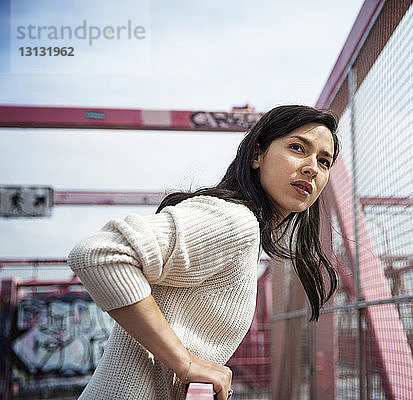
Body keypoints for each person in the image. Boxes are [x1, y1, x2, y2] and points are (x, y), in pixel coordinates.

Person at [67, 105, 340, 400]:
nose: (313, 167)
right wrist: (184, 363)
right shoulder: (237, 221)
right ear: (257, 155)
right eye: (298, 148)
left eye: (324, 162)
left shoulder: (244, 229)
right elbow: (100, 253)